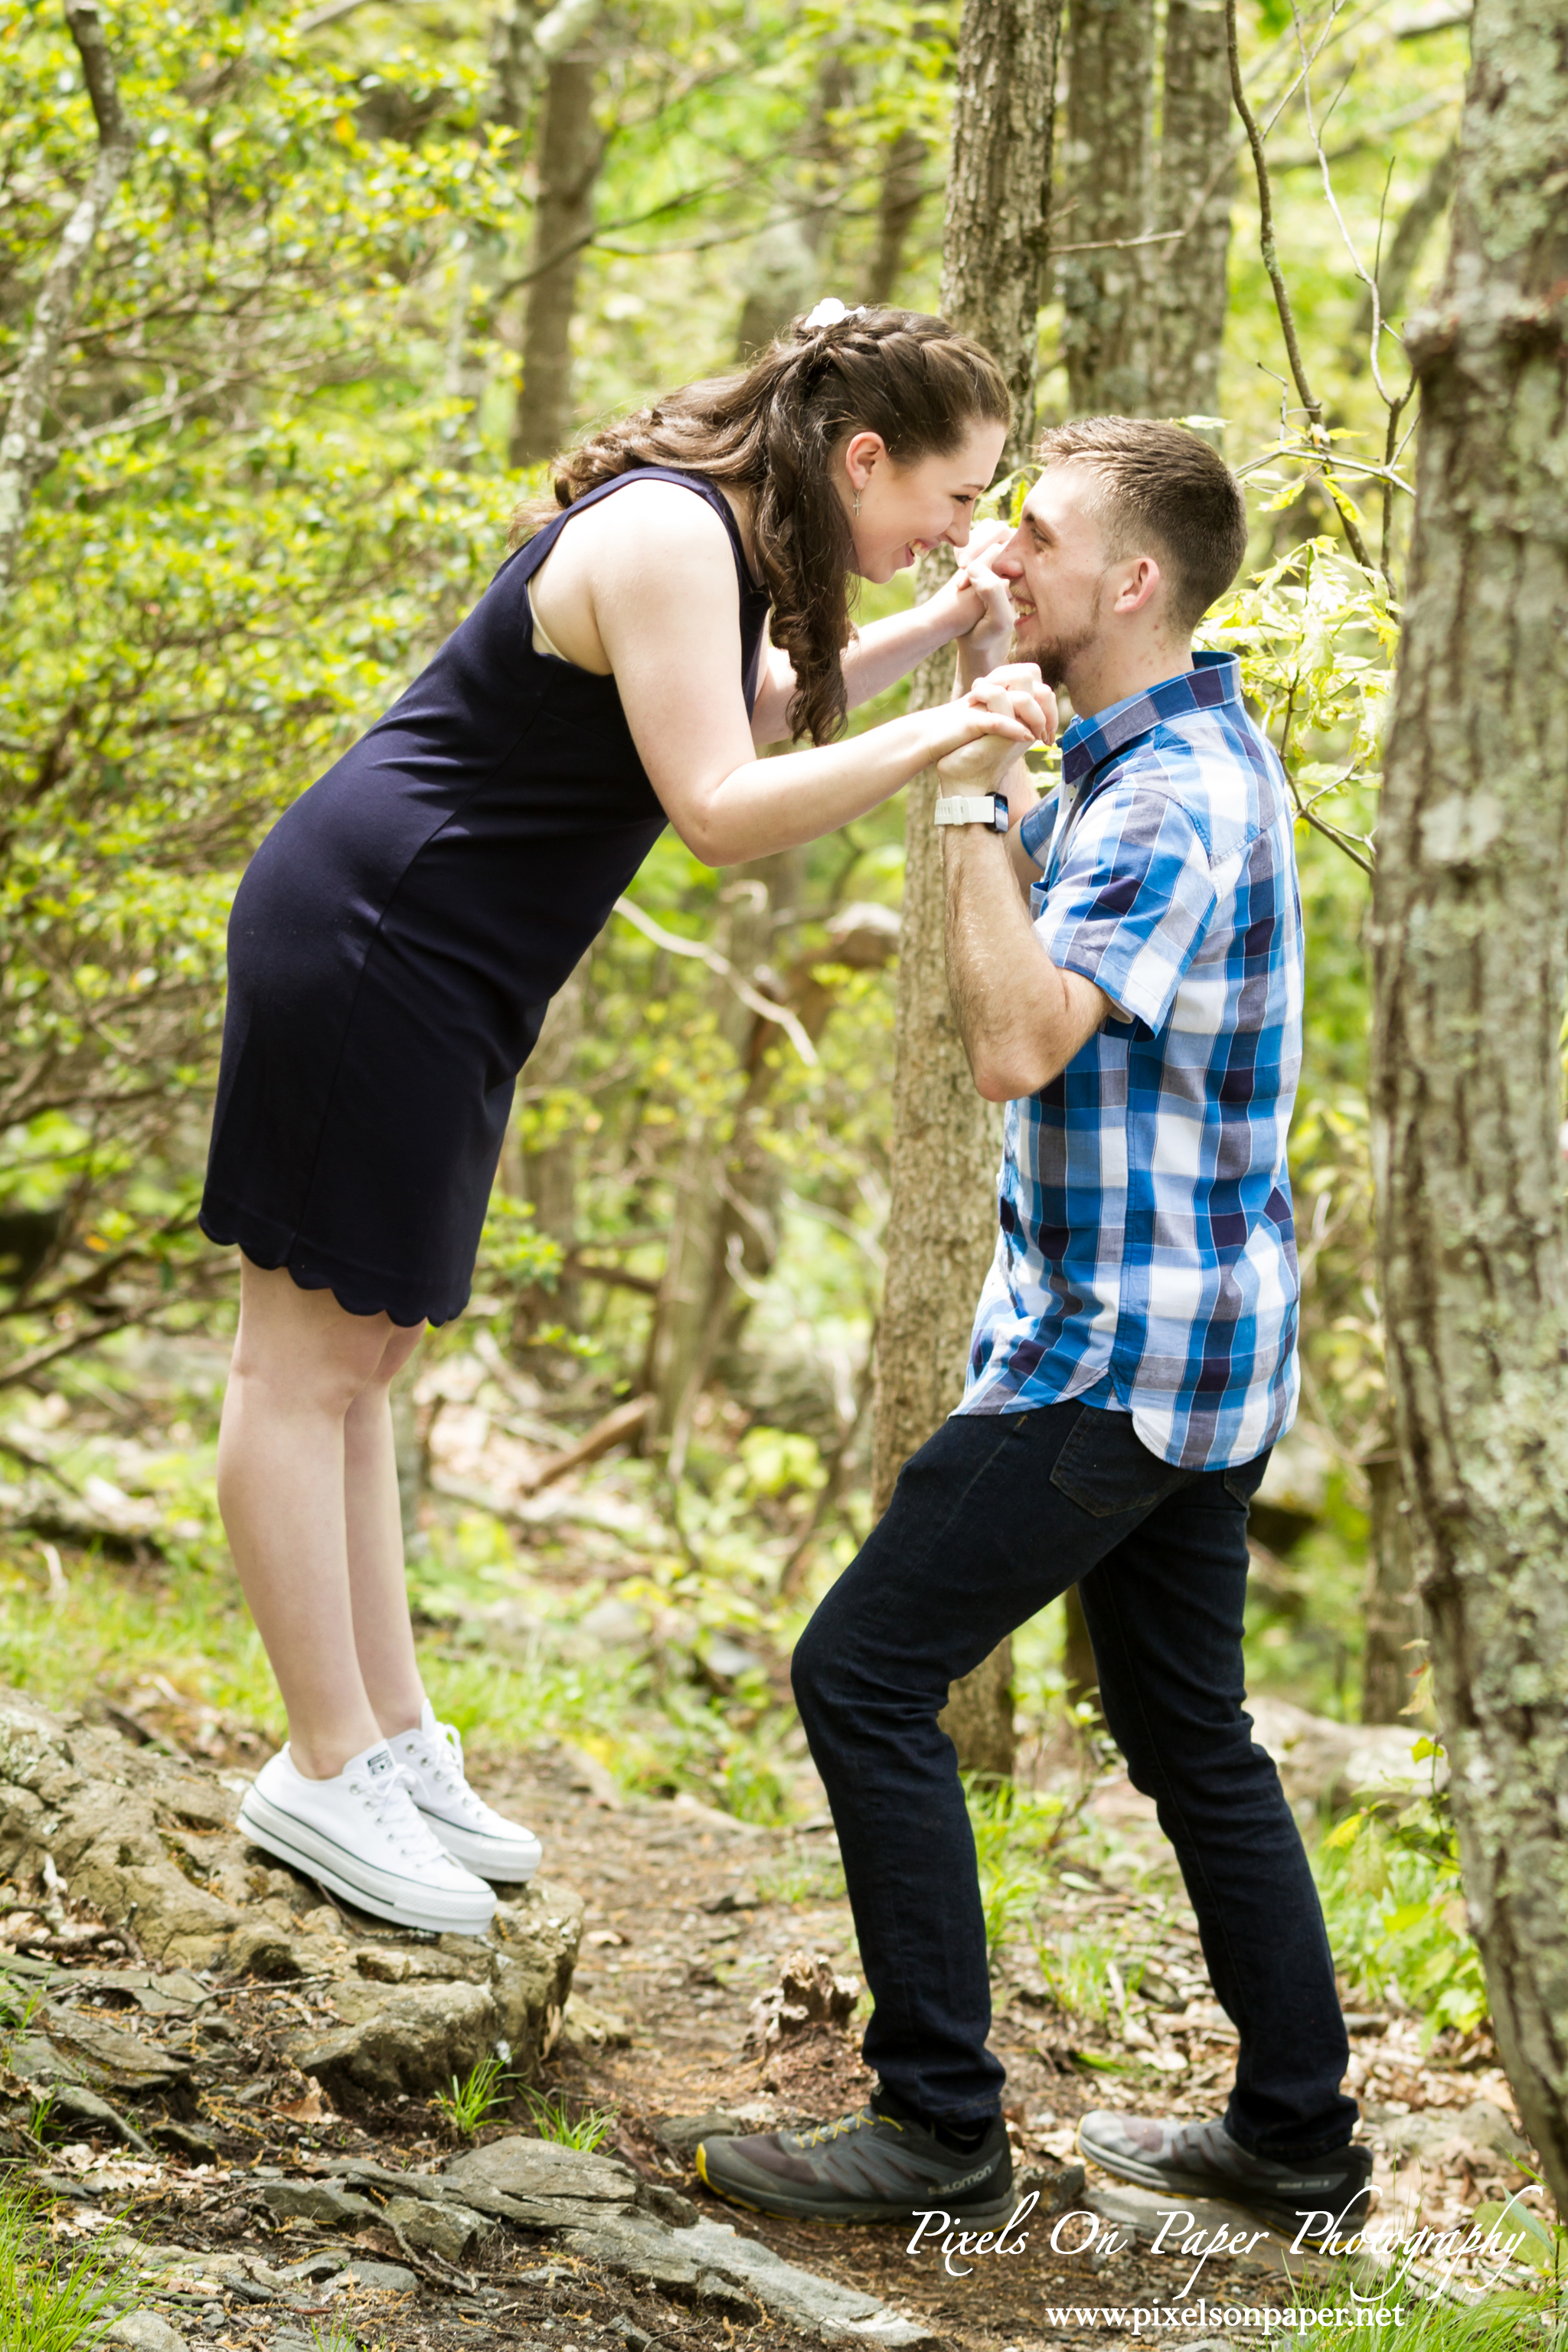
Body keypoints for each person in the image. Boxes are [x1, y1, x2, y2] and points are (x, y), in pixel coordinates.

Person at [200, 303, 1054, 1938]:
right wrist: (947, 725)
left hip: (444, 957)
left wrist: (932, 629)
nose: (964, 533)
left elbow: (759, 714)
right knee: (297, 1365)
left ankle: (383, 1740)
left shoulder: (723, 532)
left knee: (366, 1352)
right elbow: (721, 810)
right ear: (861, 457)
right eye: (953, 503)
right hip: (377, 931)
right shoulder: (671, 533)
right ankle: (319, 1765)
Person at [696, 417, 1371, 2239]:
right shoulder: (1146, 750)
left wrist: (970, 793)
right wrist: (989, 711)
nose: (998, 552)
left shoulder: (1163, 795)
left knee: (860, 1675)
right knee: (1192, 1738)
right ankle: (1298, 2141)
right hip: (1180, 1343)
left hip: (1120, 1360)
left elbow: (1015, 1041)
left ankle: (937, 2132)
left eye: (1039, 534)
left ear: (1132, 583)